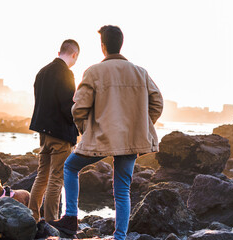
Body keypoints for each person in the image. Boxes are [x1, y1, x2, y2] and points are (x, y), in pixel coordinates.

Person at [49, 26, 163, 240]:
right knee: (122, 190)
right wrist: (141, 127)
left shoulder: (94, 72)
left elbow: (78, 109)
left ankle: (71, 218)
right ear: (120, 44)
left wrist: (87, 132)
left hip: (101, 138)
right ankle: (120, 237)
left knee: (70, 166)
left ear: (103, 47)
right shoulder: (141, 72)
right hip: (131, 139)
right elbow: (157, 103)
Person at [28, 39, 80, 223]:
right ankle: (51, 221)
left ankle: (33, 217)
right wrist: (77, 128)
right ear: (74, 54)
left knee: (42, 175)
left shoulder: (42, 72)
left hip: (43, 132)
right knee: (56, 178)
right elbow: (69, 108)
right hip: (60, 134)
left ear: (60, 52)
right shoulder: (66, 73)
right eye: (76, 58)